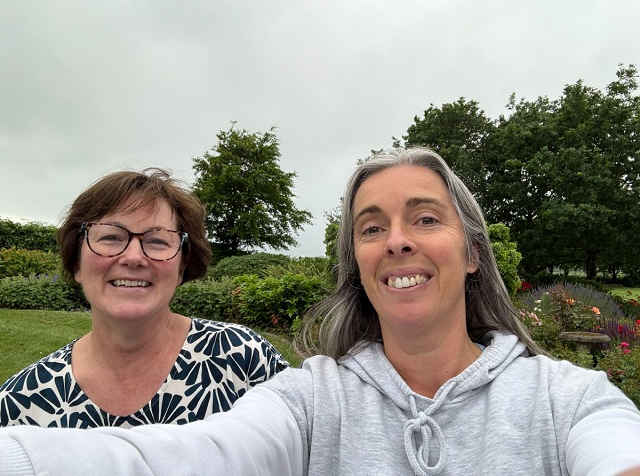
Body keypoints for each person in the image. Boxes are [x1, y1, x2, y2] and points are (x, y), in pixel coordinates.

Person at [1, 148, 639, 476]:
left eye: (425, 218)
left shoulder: (568, 399)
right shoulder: (312, 401)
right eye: (372, 227)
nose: (397, 241)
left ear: (473, 252)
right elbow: (199, 456)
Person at [0, 168, 289, 428]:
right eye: (111, 237)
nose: (134, 257)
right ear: (76, 263)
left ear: (181, 268)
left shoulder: (245, 361)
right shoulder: (20, 405)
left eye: (157, 241)